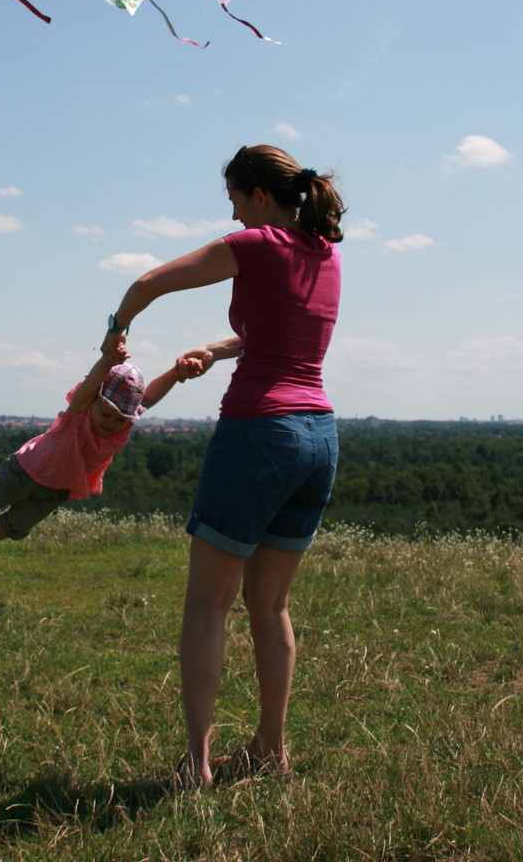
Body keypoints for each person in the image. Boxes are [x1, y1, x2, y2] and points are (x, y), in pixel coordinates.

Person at [102, 143, 345, 788]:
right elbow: (283, 330)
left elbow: (148, 282)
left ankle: (198, 764)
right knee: (270, 606)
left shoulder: (260, 243)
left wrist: (115, 329)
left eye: (236, 199)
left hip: (259, 432)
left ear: (259, 196)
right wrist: (218, 348)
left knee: (209, 604)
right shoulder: (326, 254)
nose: (235, 216)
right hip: (318, 437)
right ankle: (270, 749)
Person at [0, 348, 181, 567]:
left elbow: (149, 398)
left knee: (16, 525)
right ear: (93, 402)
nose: (112, 422)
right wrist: (108, 360)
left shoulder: (121, 426)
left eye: (120, 418)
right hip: (25, 470)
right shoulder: (79, 412)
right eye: (107, 413)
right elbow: (92, 384)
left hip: (56, 490)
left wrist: (177, 373)